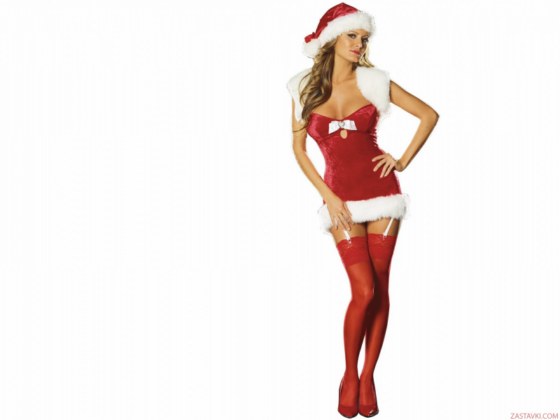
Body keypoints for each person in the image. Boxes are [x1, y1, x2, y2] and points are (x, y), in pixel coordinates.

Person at [286, 3, 439, 418]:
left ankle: (368, 375)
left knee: (380, 285)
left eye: (364, 38)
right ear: (332, 38)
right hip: (340, 199)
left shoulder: (374, 81)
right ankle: (349, 374)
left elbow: (428, 115)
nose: (360, 44)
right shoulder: (302, 87)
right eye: (352, 36)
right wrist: (329, 196)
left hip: (383, 193)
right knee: (364, 289)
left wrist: (401, 160)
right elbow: (299, 150)